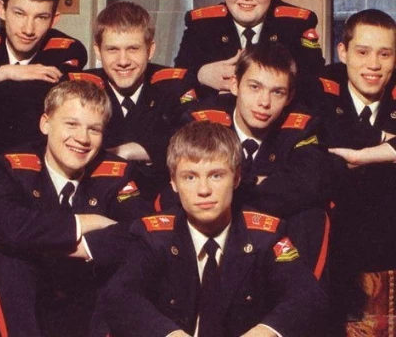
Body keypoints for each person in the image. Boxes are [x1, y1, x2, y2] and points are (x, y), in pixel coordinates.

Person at [103, 121, 328, 337]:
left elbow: (307, 295)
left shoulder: (265, 236)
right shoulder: (153, 237)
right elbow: (119, 294)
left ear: (237, 178)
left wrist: (263, 332)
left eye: (216, 176)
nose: (204, 190)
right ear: (173, 182)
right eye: (190, 177)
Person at [0, 80, 152, 337]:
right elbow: (8, 225)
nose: (82, 138)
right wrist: (86, 223)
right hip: (26, 308)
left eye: (94, 129)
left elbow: (144, 232)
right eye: (71, 124)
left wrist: (85, 247)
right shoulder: (10, 167)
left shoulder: (116, 173)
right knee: (10, 259)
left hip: (86, 305)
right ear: (45, 123)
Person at [176, 44, 332, 276]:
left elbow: (308, 184)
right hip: (213, 233)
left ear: (289, 97)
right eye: (254, 87)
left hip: (267, 243)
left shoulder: (302, 126)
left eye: (277, 92)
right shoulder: (202, 120)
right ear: (235, 85)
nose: (264, 102)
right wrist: (259, 181)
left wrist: (234, 185)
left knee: (311, 216)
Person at [316, 9, 396, 335]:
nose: (373, 64)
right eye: (362, 52)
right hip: (330, 258)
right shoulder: (317, 91)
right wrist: (384, 144)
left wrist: (362, 155)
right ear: (343, 52)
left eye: (384, 54)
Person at [174, 0, 324, 103]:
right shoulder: (202, 26)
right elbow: (176, 81)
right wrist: (201, 74)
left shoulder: (295, 25)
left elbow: (314, 84)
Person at [85, 1, 198, 196]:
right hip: (99, 198)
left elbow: (196, 139)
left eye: (133, 49)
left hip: (163, 198)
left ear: (150, 50)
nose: (123, 61)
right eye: (112, 50)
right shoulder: (83, 88)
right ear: (98, 51)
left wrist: (132, 150)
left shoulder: (174, 85)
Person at [0, 0, 87, 152]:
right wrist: (4, 72)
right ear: (2, 10)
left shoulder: (66, 50)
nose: (28, 29)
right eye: (19, 14)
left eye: (41, 17)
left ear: (54, 19)